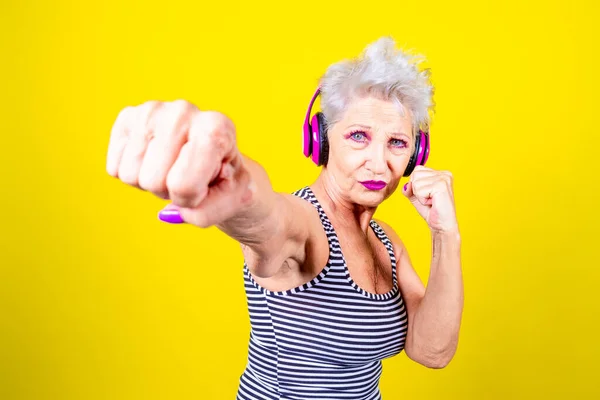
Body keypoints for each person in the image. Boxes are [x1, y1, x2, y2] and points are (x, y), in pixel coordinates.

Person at [105, 36, 464, 399]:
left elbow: (431, 350)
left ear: (416, 154)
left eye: (397, 143)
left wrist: (445, 234)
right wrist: (234, 183)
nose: (378, 161)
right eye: (359, 136)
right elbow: (266, 217)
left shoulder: (386, 240)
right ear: (320, 139)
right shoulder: (306, 222)